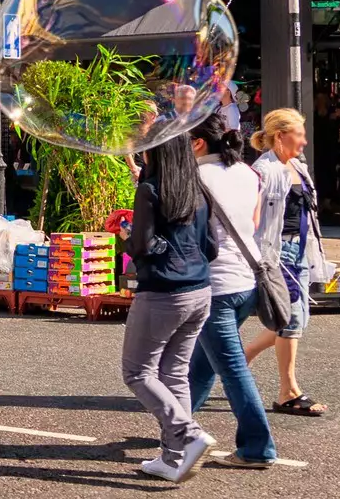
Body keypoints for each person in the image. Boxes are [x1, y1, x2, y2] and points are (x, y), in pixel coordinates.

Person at [122, 131, 217, 482]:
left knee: (137, 371)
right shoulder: (198, 189)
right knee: (175, 372)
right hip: (200, 290)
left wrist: (124, 237)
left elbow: (142, 246)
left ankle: (188, 434)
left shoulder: (150, 190)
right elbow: (212, 247)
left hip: (162, 292)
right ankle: (174, 457)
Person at [186, 111, 278, 469]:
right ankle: (175, 426)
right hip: (249, 280)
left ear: (197, 143)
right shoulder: (248, 172)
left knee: (232, 369)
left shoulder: (194, 176)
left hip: (216, 285)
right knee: (204, 363)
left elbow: (188, 233)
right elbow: (253, 223)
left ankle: (258, 448)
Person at [245, 108, 327, 417]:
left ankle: (242, 356)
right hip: (278, 252)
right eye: (300, 134)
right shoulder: (263, 170)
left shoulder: (295, 165)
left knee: (296, 320)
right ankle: (288, 391)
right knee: (290, 321)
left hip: (301, 249)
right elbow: (253, 217)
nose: (304, 141)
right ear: (281, 136)